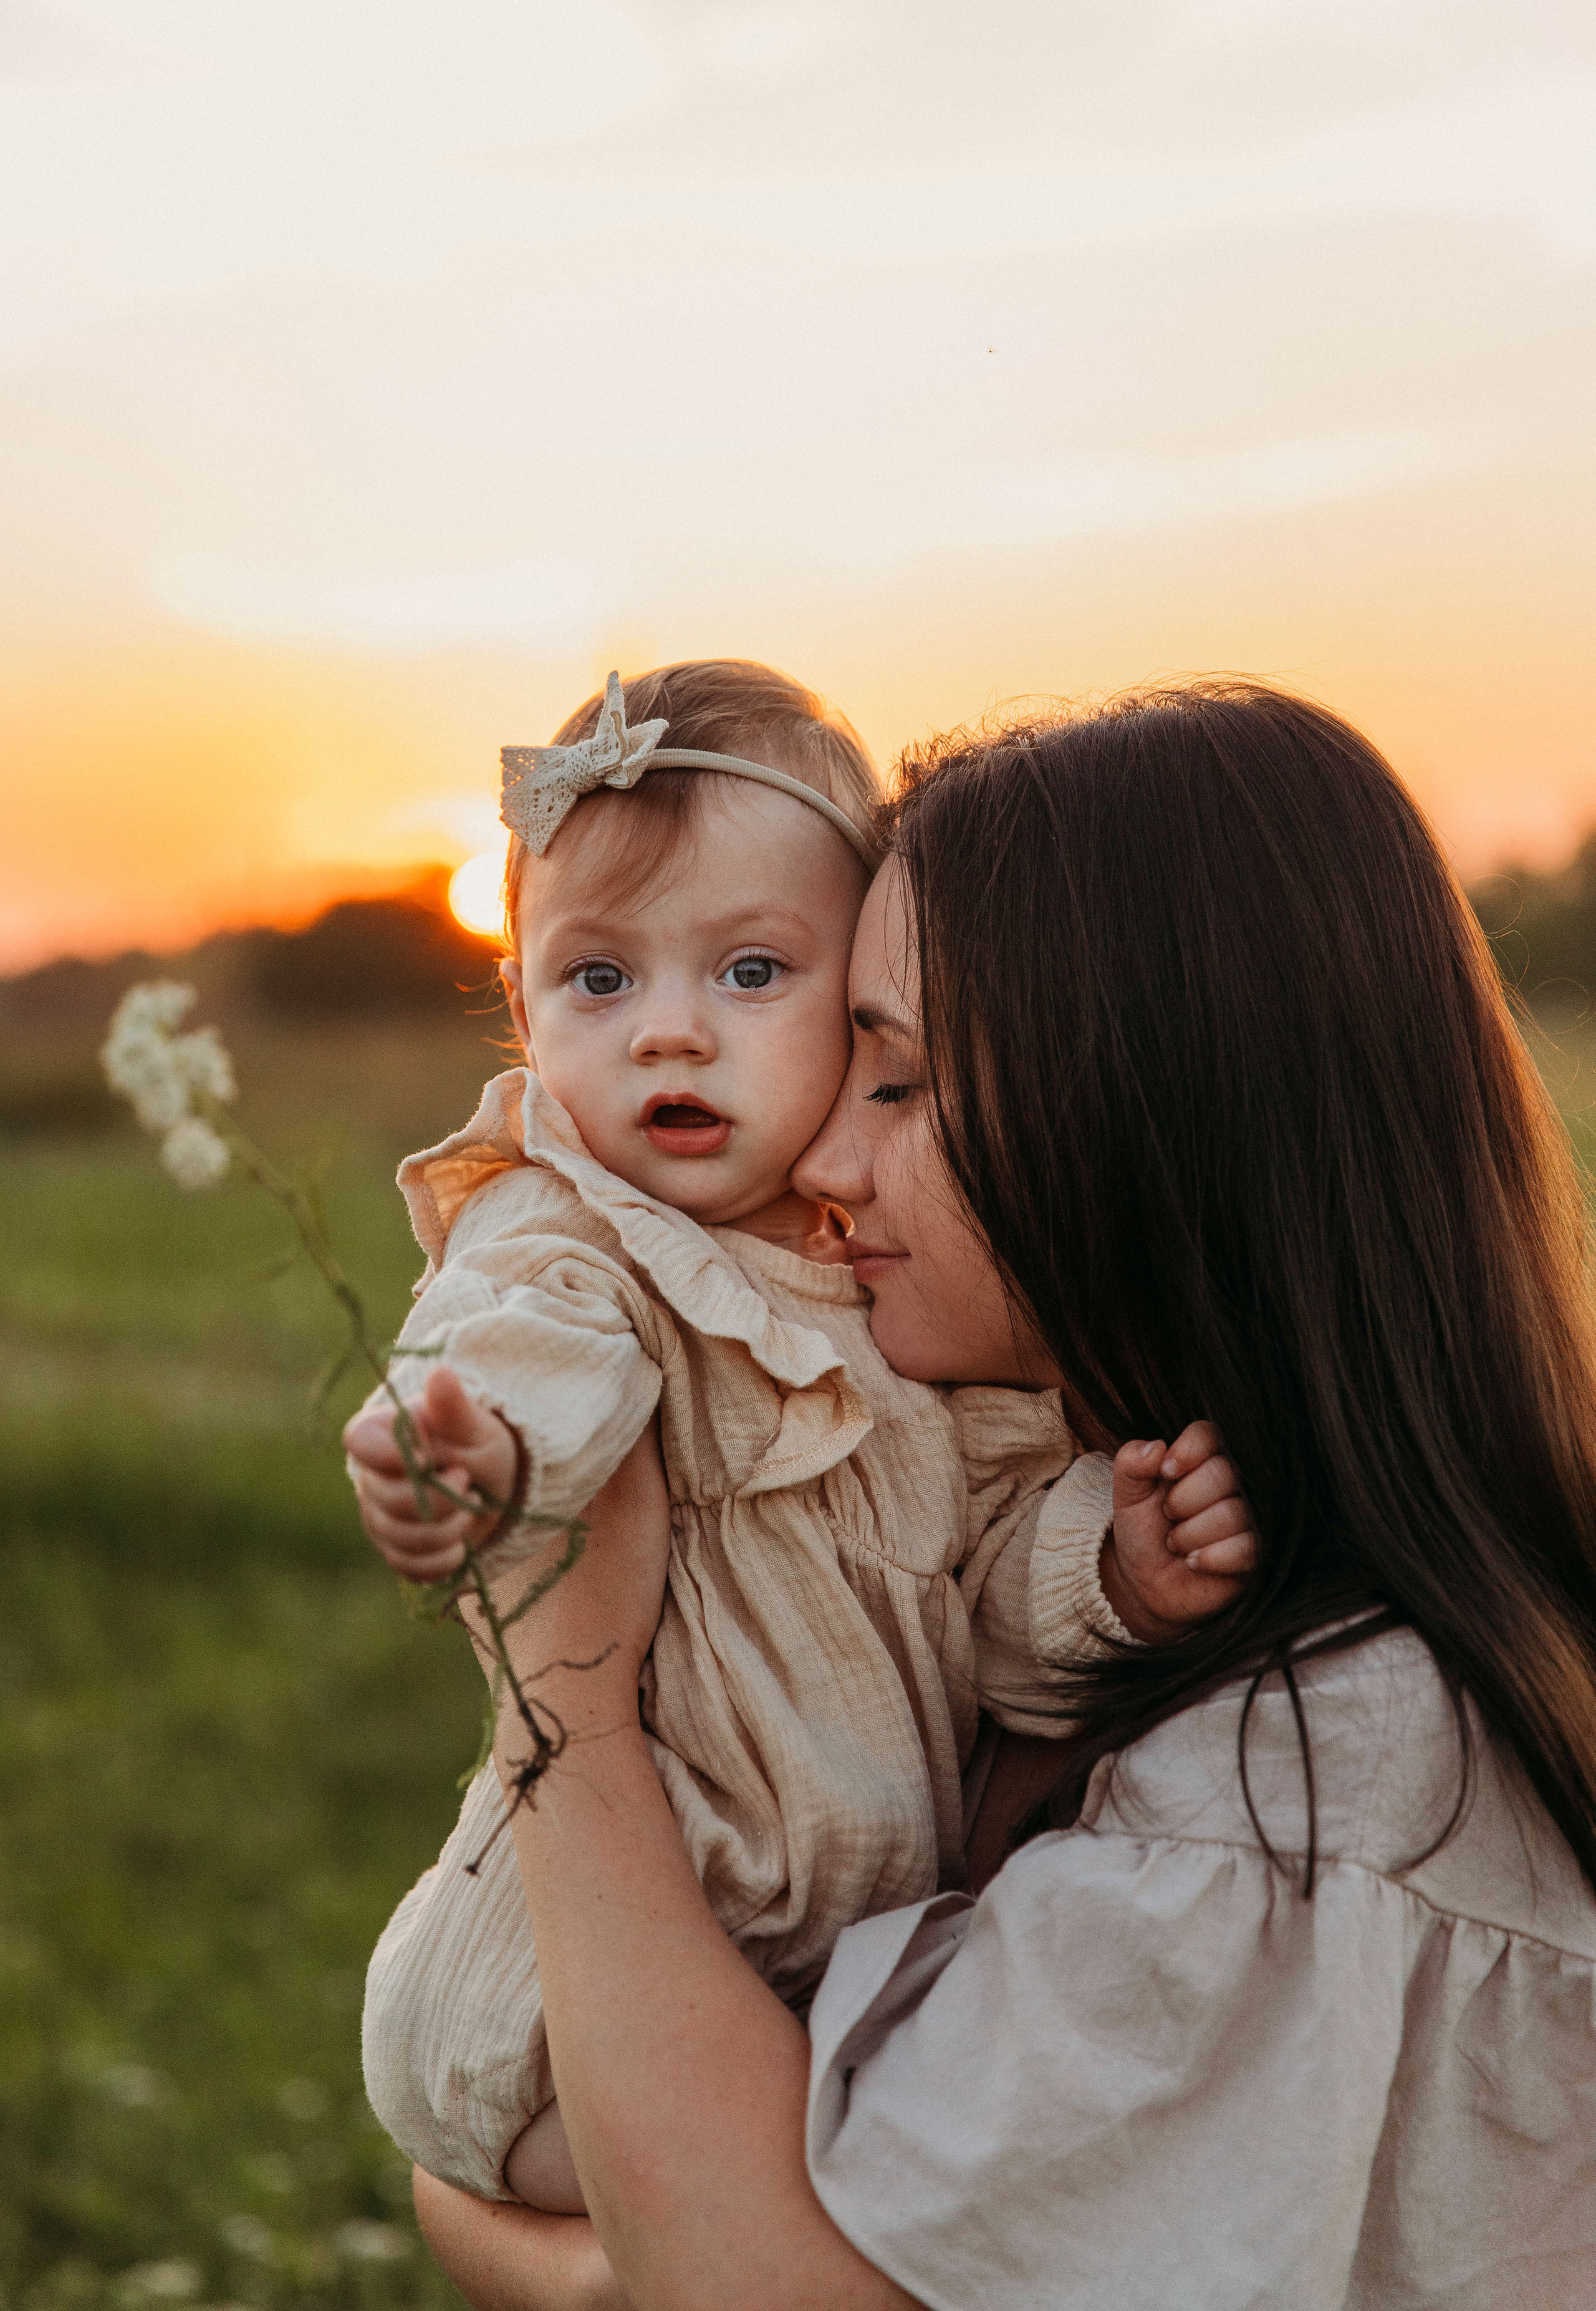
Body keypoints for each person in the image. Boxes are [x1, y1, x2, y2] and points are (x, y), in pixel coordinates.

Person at [403, 680, 1596, 2311]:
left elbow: (755, 2280)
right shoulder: (1100, 1584)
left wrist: (571, 1696)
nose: (822, 1164)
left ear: (1148, 1112)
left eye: (894, 1081)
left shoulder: (1327, 1790)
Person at [344, 662, 1252, 2215]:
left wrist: (1110, 1563)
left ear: (853, 996)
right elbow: (507, 1343)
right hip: (554, 2005)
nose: (669, 1039)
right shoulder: (571, 1225)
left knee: (844, 2198)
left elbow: (986, 1572)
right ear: (521, 1003)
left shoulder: (884, 1302)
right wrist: (482, 1458)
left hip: (806, 1966)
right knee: (783, 2219)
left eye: (750, 975)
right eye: (599, 980)